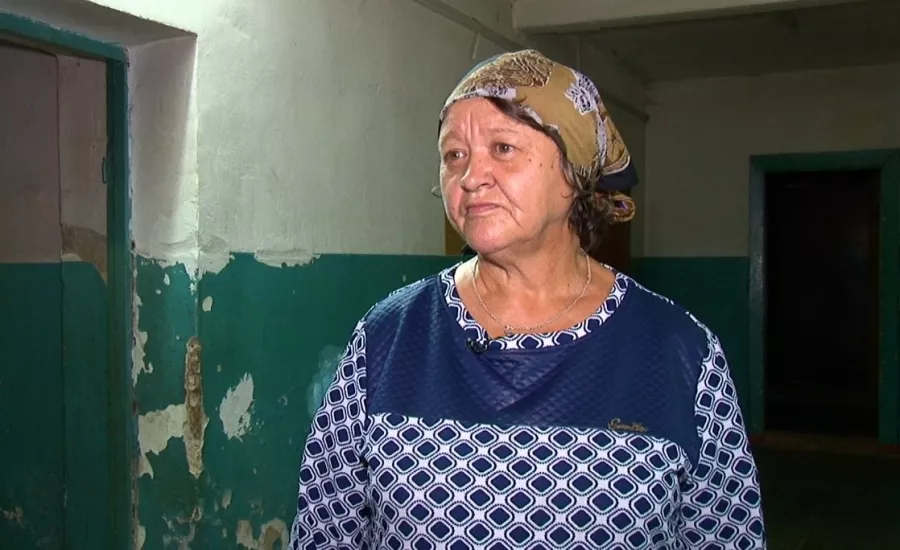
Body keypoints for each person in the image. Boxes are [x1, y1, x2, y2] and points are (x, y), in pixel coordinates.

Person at [289, 49, 766, 549]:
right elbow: (326, 530)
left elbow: (726, 535)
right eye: (454, 155)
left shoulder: (679, 351)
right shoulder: (388, 337)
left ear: (574, 173)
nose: (471, 177)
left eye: (502, 147)